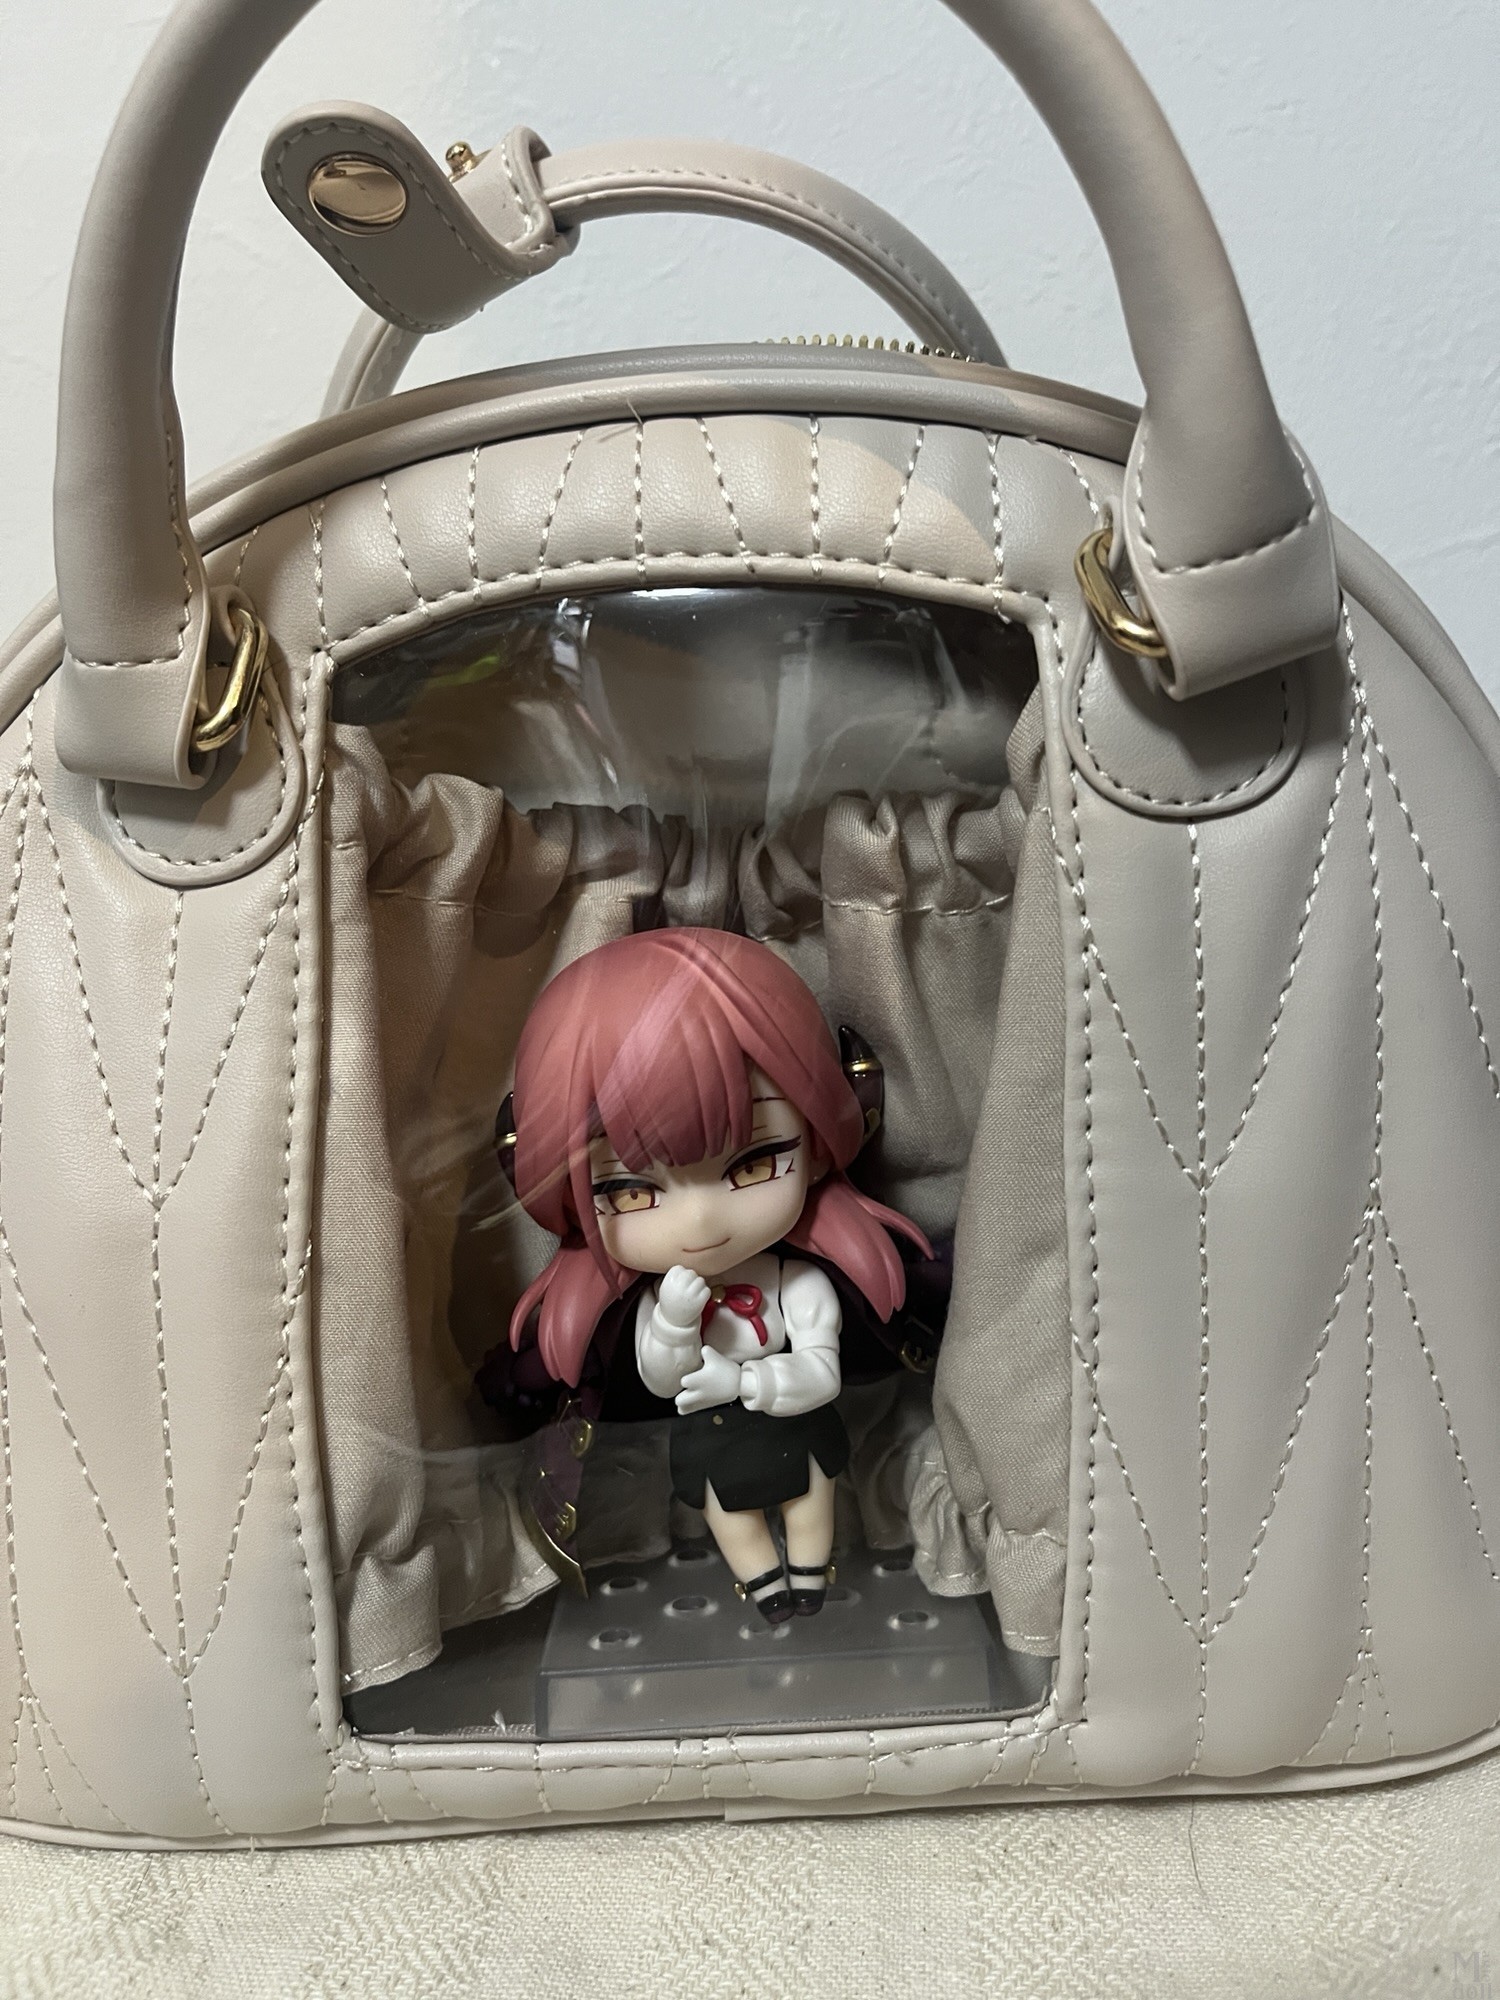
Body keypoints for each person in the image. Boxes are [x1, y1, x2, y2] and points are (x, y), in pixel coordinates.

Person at [506, 928, 929, 1623]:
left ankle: (810, 1579)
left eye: (755, 1163)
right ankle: (765, 1590)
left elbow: (821, 1372)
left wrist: (747, 1382)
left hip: (794, 1421)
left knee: (812, 1494)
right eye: (631, 1191)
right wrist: (674, 1322)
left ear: (818, 1144)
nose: (700, 1220)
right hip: (710, 1438)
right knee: (728, 1513)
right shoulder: (662, 1298)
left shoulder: (798, 1285)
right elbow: (661, 1378)